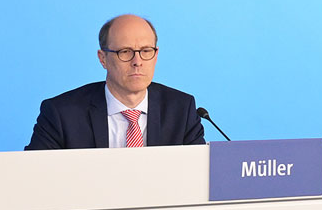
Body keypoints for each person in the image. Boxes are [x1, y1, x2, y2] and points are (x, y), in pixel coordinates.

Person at [25, 14, 206, 150]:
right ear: (102, 58)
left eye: (145, 51)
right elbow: (33, 176)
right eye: (125, 52)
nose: (137, 61)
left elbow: (201, 176)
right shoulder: (61, 114)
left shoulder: (181, 109)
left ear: (156, 55)